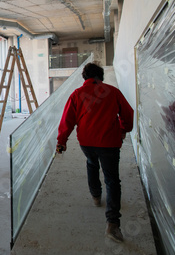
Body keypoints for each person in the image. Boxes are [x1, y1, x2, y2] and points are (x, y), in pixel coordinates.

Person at [56, 63, 134, 243]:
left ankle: (96, 197)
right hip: (109, 143)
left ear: (85, 78)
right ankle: (112, 224)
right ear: (101, 77)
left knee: (91, 164)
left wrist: (61, 144)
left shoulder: (77, 94)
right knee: (112, 179)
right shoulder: (112, 92)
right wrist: (124, 129)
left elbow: (66, 120)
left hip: (87, 143)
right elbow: (128, 114)